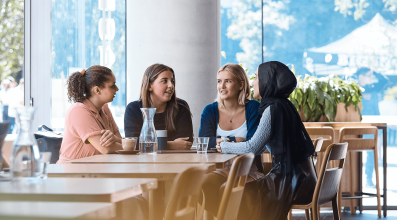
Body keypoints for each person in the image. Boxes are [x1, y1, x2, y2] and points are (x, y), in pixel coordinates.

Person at [216, 61, 317, 219]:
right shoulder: (284, 105)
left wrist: (225, 146)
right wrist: (236, 145)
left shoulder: (272, 108)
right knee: (231, 189)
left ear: (267, 80)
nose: (253, 82)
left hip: (291, 182)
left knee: (227, 190)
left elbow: (253, 148)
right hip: (305, 180)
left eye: (257, 77)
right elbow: (269, 145)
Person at [198, 63, 263, 216]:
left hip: (250, 170)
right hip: (221, 169)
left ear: (241, 84)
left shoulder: (253, 107)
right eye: (219, 81)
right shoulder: (210, 110)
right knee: (203, 185)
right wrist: (236, 139)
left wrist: (221, 141)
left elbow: (253, 143)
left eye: (228, 81)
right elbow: (205, 142)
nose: (222, 86)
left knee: (230, 190)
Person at [57, 65, 122, 164]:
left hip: (96, 172)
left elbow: (120, 140)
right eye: (112, 85)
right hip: (72, 174)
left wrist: (116, 139)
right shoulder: (78, 110)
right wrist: (125, 144)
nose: (117, 89)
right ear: (97, 90)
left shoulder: (105, 108)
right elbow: (106, 149)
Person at [124, 63, 193, 149]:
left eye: (172, 81)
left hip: (175, 160)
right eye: (164, 81)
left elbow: (185, 143)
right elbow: (133, 144)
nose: (171, 85)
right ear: (149, 85)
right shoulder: (133, 109)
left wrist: (150, 143)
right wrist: (171, 145)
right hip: (143, 161)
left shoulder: (181, 107)